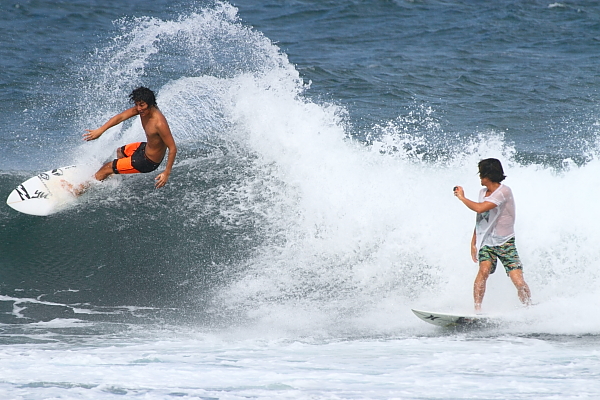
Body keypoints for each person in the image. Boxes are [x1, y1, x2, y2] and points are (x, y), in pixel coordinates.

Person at [453, 158, 531, 312]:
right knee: (483, 271)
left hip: (505, 242)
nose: (479, 177)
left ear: (488, 176)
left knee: (518, 281)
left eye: (481, 173)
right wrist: (474, 242)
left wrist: (462, 197)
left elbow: (480, 208)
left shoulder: (504, 192)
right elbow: (482, 219)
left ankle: (528, 308)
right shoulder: (482, 192)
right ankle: (477, 310)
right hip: (487, 242)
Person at [83, 87, 177, 189]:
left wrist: (166, 173)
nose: (138, 108)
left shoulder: (159, 123)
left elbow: (172, 148)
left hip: (148, 162)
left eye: (142, 105)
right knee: (120, 151)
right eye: (136, 104)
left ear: (150, 104)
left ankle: (80, 188)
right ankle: (117, 175)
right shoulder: (143, 110)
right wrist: (100, 130)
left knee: (107, 167)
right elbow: (121, 117)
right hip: (145, 148)